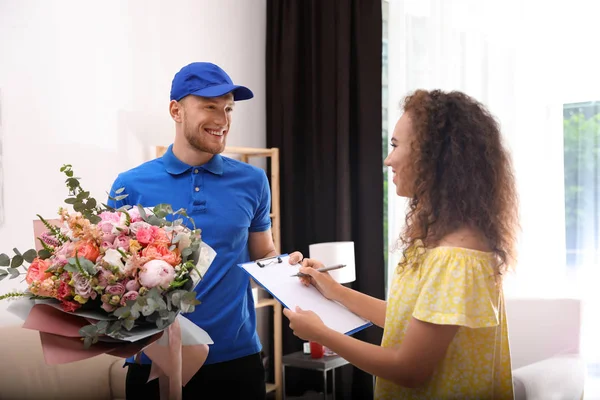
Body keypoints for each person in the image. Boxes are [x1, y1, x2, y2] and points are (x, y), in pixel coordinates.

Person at [285, 89, 519, 399]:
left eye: (395, 145)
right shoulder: (441, 242)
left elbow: (409, 369)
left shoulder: (457, 257)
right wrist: (333, 289)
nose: (387, 159)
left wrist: (321, 333)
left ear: (433, 157)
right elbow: (405, 321)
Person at [107, 62, 301, 400]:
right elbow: (111, 271)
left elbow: (263, 254)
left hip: (236, 360)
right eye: (210, 106)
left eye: (228, 108)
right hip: (153, 360)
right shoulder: (130, 184)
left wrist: (290, 268)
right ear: (176, 110)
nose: (223, 120)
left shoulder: (253, 181)